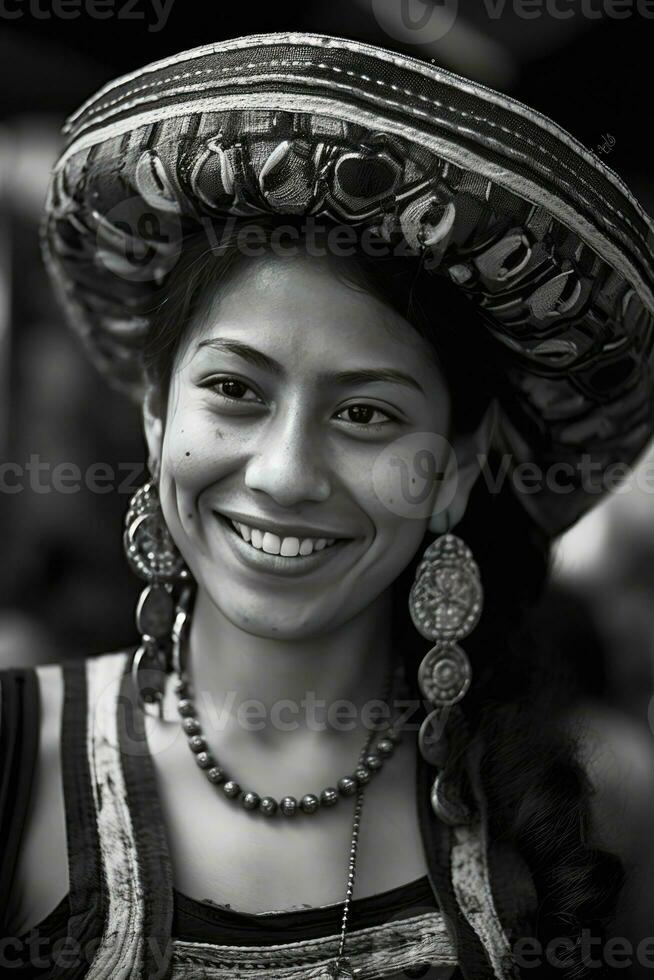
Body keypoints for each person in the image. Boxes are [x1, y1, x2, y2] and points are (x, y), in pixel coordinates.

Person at [1, 31, 653, 980]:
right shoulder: (13, 762)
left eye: (365, 413)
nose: (285, 472)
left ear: (457, 468)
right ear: (154, 411)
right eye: (235, 390)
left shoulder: (592, 814)